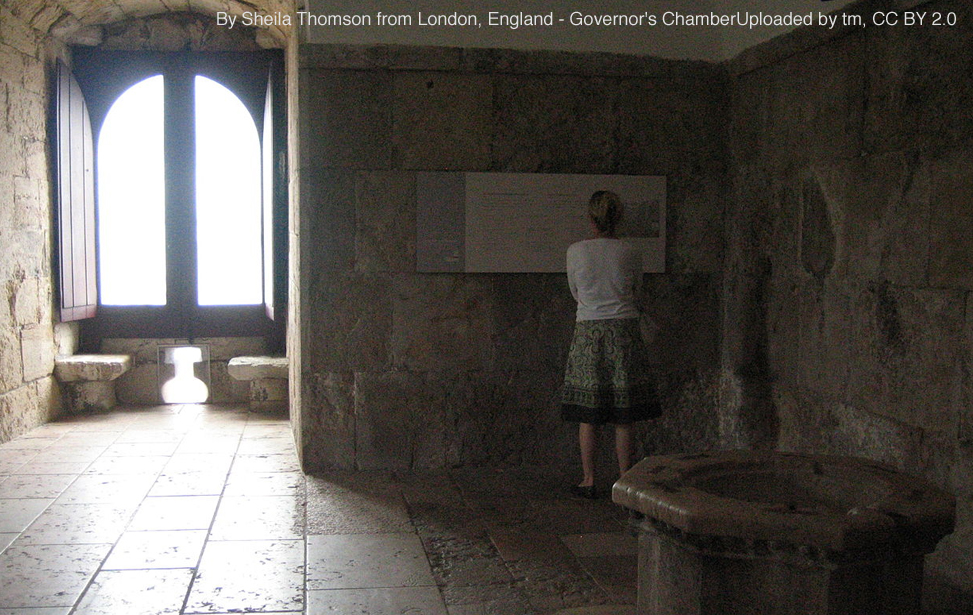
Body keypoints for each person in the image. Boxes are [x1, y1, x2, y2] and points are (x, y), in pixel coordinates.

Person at [561, 190, 660, 499]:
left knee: (588, 414)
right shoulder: (630, 252)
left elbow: (575, 292)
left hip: (588, 332)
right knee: (623, 414)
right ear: (618, 219)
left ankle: (589, 479)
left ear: (591, 218)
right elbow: (637, 290)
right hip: (624, 333)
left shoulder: (576, 251)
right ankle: (625, 480)